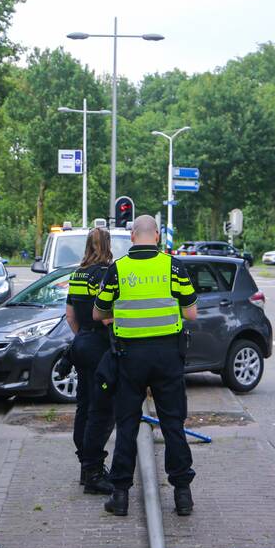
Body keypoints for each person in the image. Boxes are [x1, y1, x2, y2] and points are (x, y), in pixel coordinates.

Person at [93, 215, 198, 517]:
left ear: (132, 236)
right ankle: (182, 495)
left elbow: (99, 314)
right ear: (156, 235)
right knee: (173, 424)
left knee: (127, 424)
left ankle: (120, 495)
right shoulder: (173, 266)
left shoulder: (118, 269)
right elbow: (191, 313)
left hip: (130, 358)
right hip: (168, 357)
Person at [64, 227, 115, 495]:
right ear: (107, 245)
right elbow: (105, 316)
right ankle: (94, 471)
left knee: (83, 406)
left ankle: (85, 466)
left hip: (80, 344)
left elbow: (70, 315)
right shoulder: (105, 274)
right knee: (102, 410)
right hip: (99, 347)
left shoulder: (77, 274)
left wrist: (82, 337)